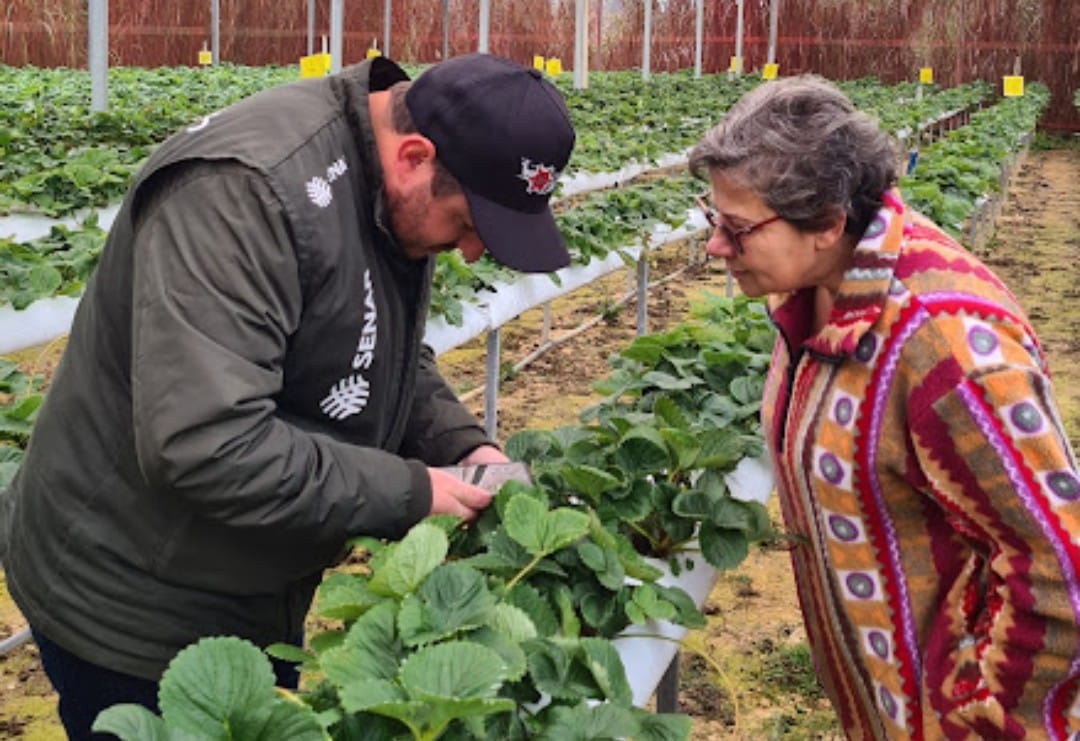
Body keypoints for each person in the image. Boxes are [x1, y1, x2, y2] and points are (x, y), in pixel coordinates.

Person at [0, 52, 575, 739]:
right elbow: (207, 444)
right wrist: (410, 490)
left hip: (246, 579)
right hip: (130, 599)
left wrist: (462, 444)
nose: (476, 252)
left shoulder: (381, 189)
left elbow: (370, 349)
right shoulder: (242, 195)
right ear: (416, 156)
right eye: (469, 223)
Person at [690, 75, 1080, 738]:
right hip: (879, 703)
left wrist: (984, 717)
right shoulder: (819, 291)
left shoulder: (946, 346)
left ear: (827, 223)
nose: (714, 246)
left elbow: (1060, 567)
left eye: (736, 227)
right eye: (711, 217)